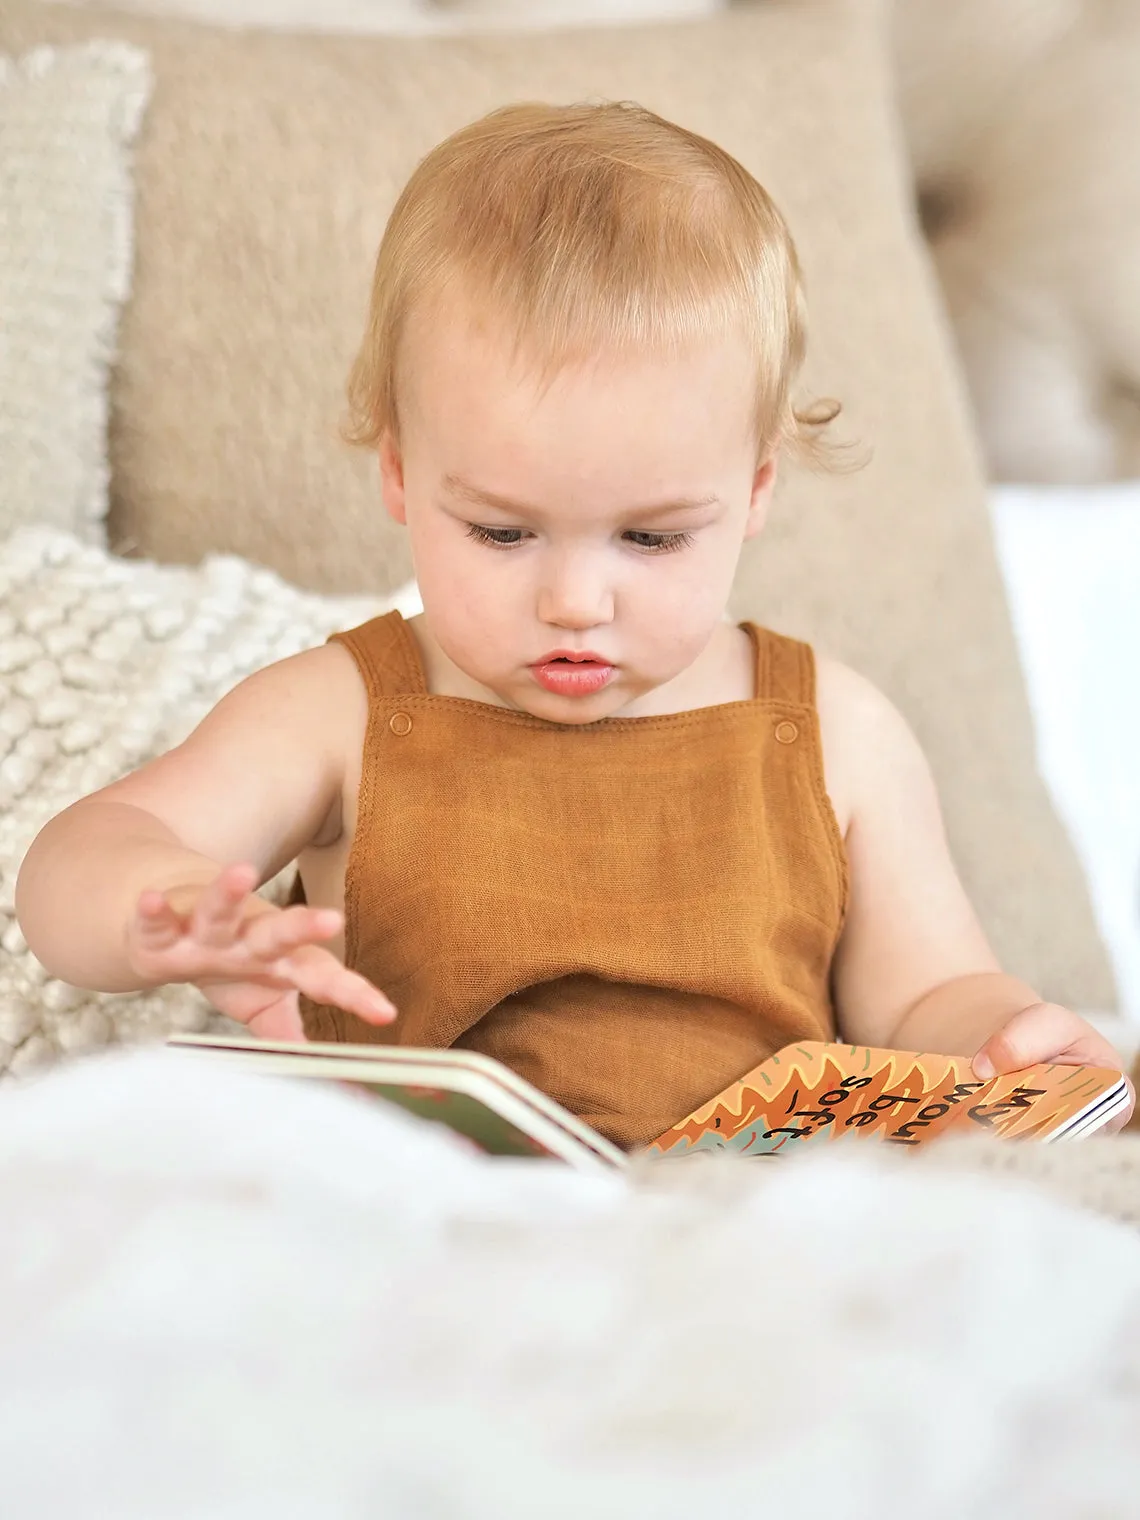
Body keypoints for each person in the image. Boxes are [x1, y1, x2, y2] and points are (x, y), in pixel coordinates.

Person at [15, 102, 1131, 1147]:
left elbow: (928, 990)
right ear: (402, 471)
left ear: (752, 490)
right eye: (502, 533)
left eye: (651, 540)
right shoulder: (342, 709)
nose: (577, 602)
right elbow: (74, 861)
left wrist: (1010, 1039)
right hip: (431, 1216)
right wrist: (158, 908)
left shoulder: (840, 728)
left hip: (745, 1229)